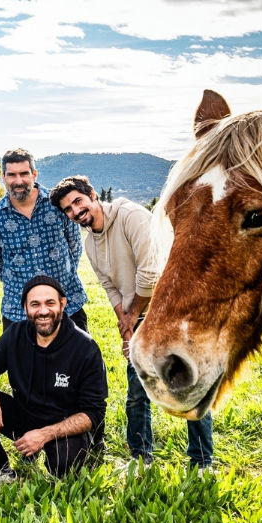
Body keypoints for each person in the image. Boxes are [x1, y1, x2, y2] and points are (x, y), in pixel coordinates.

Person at [51, 176, 214, 468]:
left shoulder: (131, 217)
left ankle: (202, 462)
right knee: (137, 392)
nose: (75, 211)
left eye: (78, 201)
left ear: (93, 196)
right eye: (68, 209)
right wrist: (126, 328)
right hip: (137, 316)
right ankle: (141, 459)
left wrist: (131, 317)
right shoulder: (91, 243)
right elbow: (110, 288)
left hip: (173, 310)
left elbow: (150, 274)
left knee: (188, 387)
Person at [0, 276, 108, 483]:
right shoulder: (15, 334)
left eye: (50, 303)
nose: (43, 311)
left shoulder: (85, 347)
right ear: (25, 308)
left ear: (63, 304)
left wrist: (44, 435)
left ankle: (58, 454)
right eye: (35, 304)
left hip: (64, 425)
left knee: (65, 467)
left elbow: (94, 413)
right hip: (24, 416)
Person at [0, 148, 88, 331]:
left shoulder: (58, 205)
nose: (18, 181)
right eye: (12, 175)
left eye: (24, 173)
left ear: (34, 174)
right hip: (19, 311)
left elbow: (74, 246)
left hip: (66, 304)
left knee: (80, 359)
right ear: (3, 177)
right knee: (20, 361)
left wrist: (61, 274)